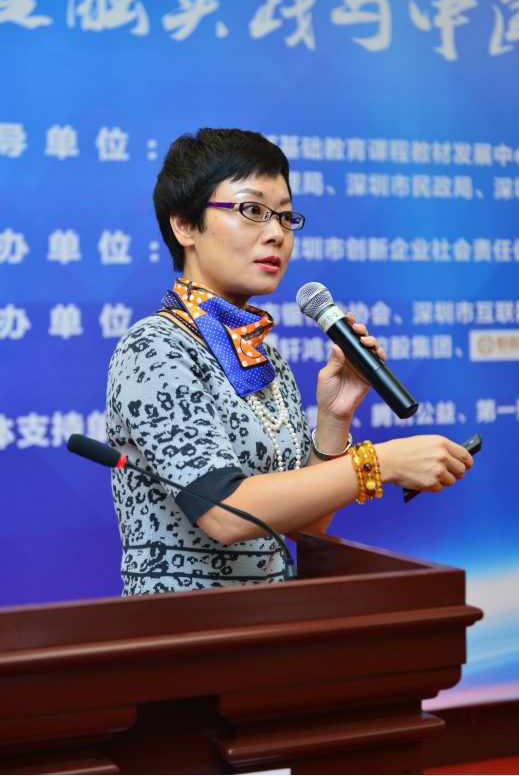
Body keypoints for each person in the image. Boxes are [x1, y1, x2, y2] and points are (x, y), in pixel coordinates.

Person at [106, 127, 473, 595]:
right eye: (252, 210)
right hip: (187, 627)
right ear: (184, 225)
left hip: (273, 621)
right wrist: (379, 462)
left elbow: (306, 526)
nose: (276, 234)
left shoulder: (264, 356)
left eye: (284, 216)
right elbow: (224, 512)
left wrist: (334, 418)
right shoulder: (155, 347)